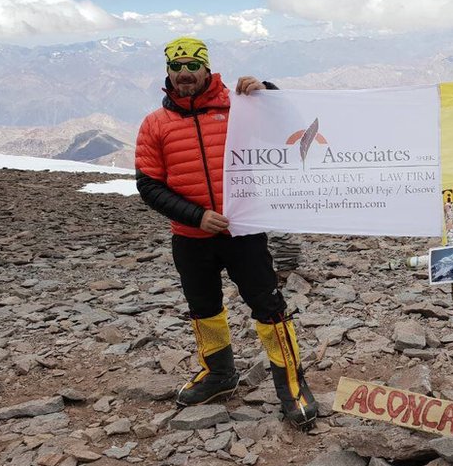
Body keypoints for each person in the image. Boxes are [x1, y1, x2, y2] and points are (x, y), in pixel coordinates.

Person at [135, 36, 318, 430]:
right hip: (190, 237)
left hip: (243, 233)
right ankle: (219, 374)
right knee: (204, 309)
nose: (184, 74)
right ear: (167, 72)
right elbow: (149, 185)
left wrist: (267, 92)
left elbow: (291, 129)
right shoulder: (155, 124)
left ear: (206, 68)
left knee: (269, 309)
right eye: (176, 67)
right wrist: (196, 216)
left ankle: (292, 385)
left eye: (191, 66)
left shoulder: (240, 106)